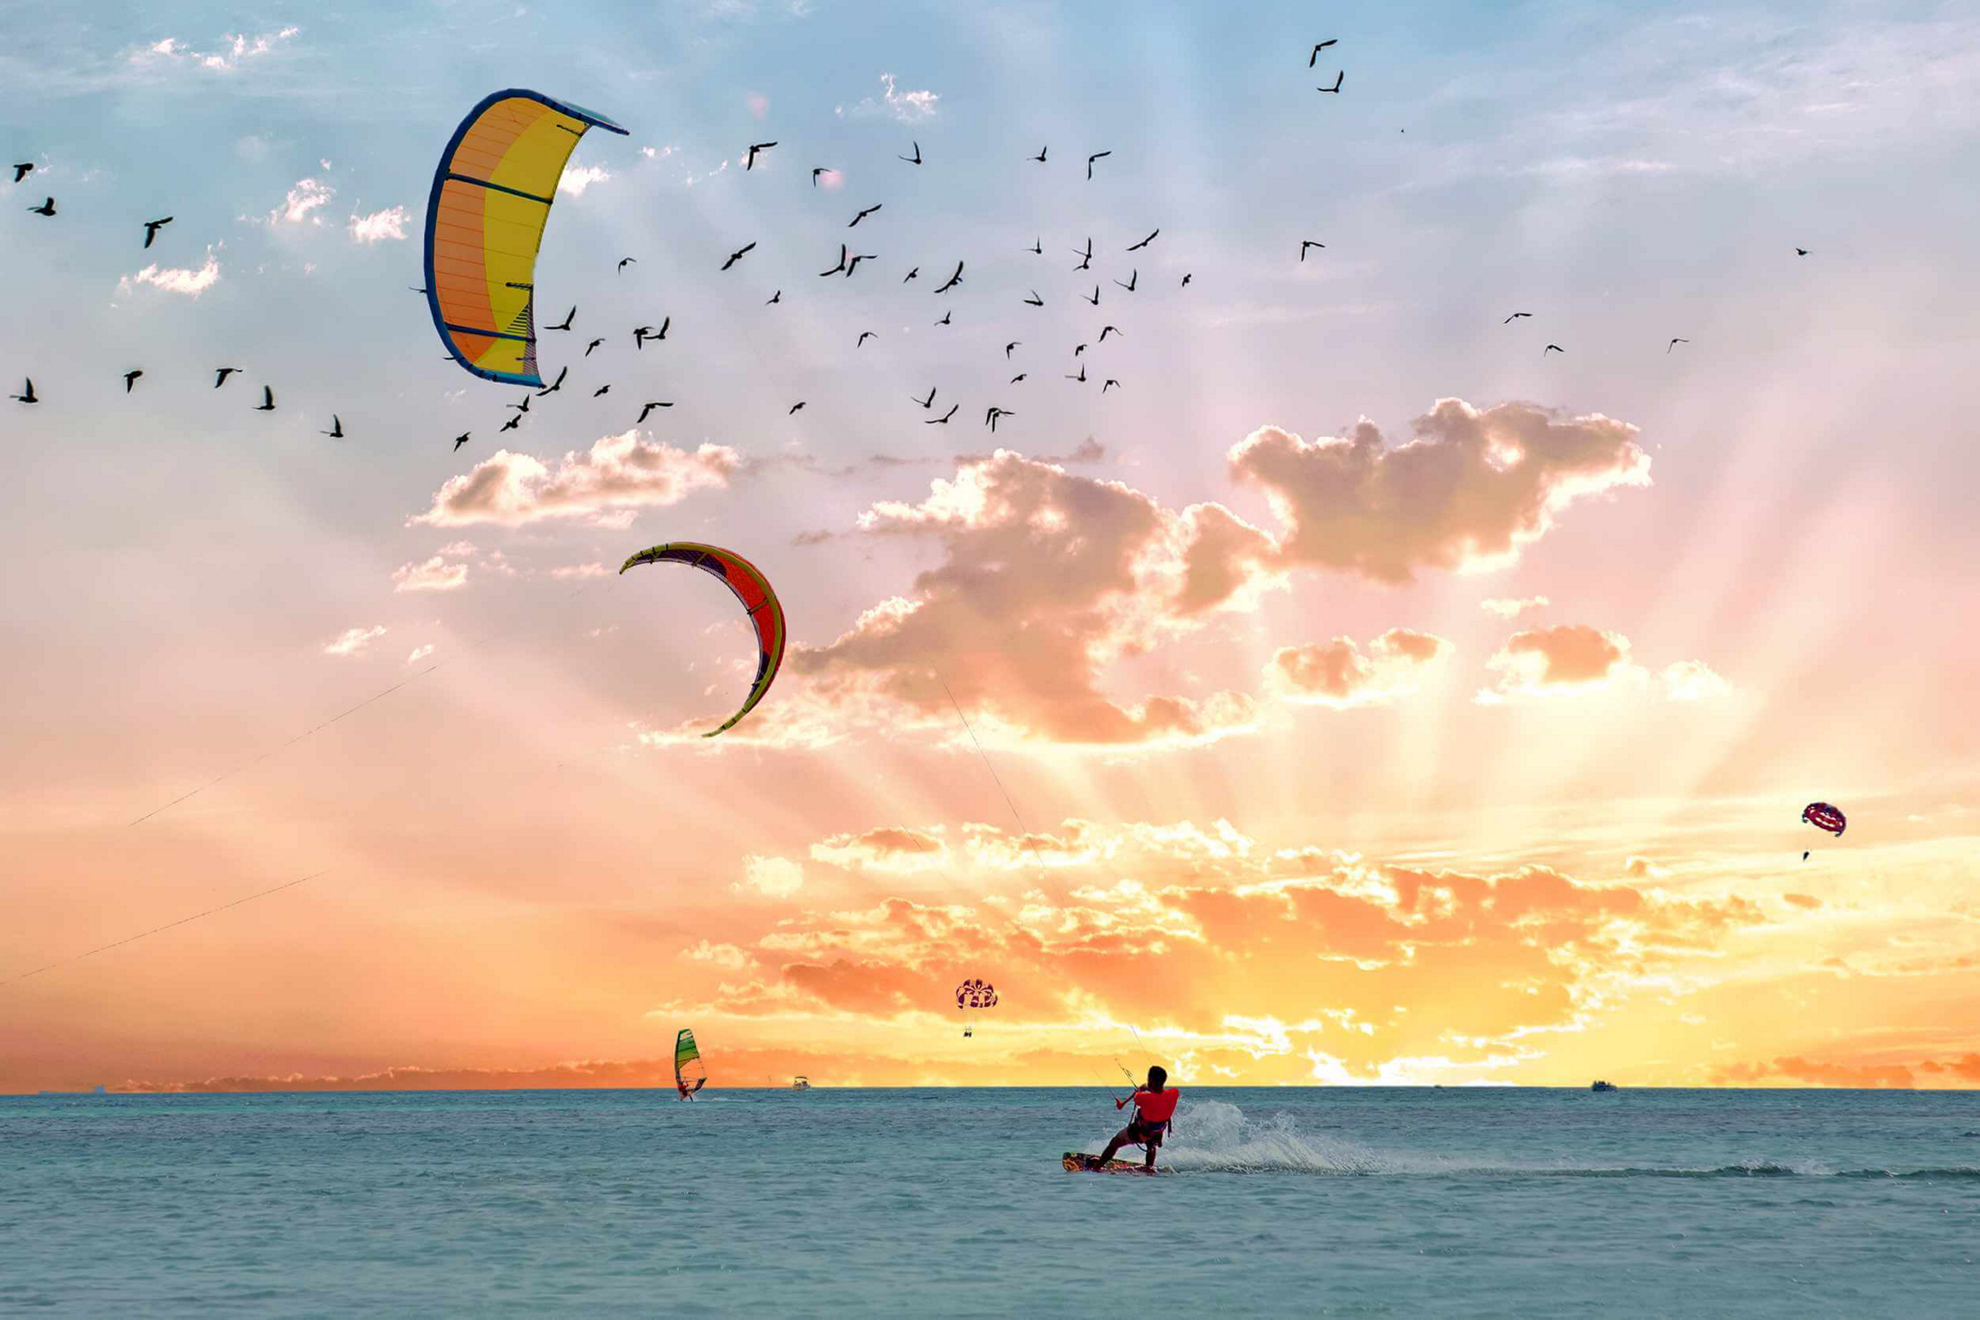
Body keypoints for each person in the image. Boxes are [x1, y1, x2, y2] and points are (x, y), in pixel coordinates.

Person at [1091, 1066, 1179, 1172]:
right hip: (1157, 1134)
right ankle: (1149, 1168)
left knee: (1115, 1142)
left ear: (1151, 1080)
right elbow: (1158, 1094)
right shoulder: (1174, 1093)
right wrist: (1148, 1087)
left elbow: (1137, 1097)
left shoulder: (1143, 1097)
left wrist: (1142, 1088)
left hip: (1138, 1132)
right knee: (1151, 1145)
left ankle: (1097, 1167)